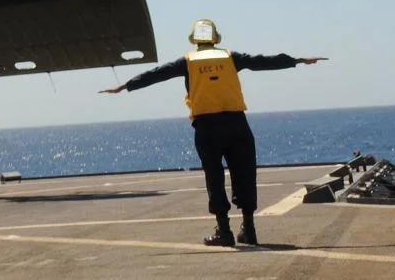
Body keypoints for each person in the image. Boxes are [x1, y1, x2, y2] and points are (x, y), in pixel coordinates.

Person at [99, 18, 327, 247]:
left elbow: (157, 74)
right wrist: (296, 61)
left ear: (195, 40)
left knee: (214, 177)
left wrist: (126, 86)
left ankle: (224, 231)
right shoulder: (230, 57)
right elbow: (262, 61)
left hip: (207, 126)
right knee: (245, 174)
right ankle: (249, 228)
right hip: (236, 122)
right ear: (215, 38)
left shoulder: (187, 61)